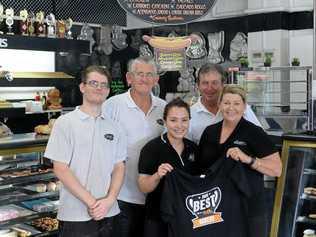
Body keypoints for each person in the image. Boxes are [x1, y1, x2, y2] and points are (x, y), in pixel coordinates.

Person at [45, 65, 126, 237]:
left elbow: (119, 166)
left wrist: (109, 201)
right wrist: (93, 203)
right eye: (93, 83)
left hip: (109, 212)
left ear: (108, 91)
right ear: (82, 87)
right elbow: (60, 168)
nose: (99, 88)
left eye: (104, 85)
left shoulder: (115, 127)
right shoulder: (65, 123)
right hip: (75, 215)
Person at [198, 84, 282, 237]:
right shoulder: (209, 132)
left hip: (249, 208)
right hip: (216, 209)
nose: (231, 108)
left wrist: (248, 159)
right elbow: (200, 170)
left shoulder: (254, 132)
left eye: (237, 103)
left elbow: (277, 169)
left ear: (244, 107)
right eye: (226, 103)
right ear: (219, 105)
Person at [102, 56, 166, 237]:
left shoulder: (164, 108)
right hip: (122, 196)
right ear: (129, 78)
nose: (144, 79)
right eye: (139, 74)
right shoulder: (112, 106)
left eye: (149, 74)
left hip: (156, 196)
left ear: (156, 79)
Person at [138, 98, 199, 237]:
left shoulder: (194, 148)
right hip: (157, 218)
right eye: (173, 120)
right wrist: (157, 175)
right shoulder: (151, 148)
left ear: (189, 120)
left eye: (184, 120)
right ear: (165, 121)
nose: (179, 125)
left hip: (187, 218)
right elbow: (143, 186)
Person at [188, 63, 261, 144]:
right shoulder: (190, 114)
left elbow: (261, 139)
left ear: (223, 84)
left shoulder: (239, 108)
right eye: (205, 83)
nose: (209, 88)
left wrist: (247, 157)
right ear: (198, 85)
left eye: (214, 83)